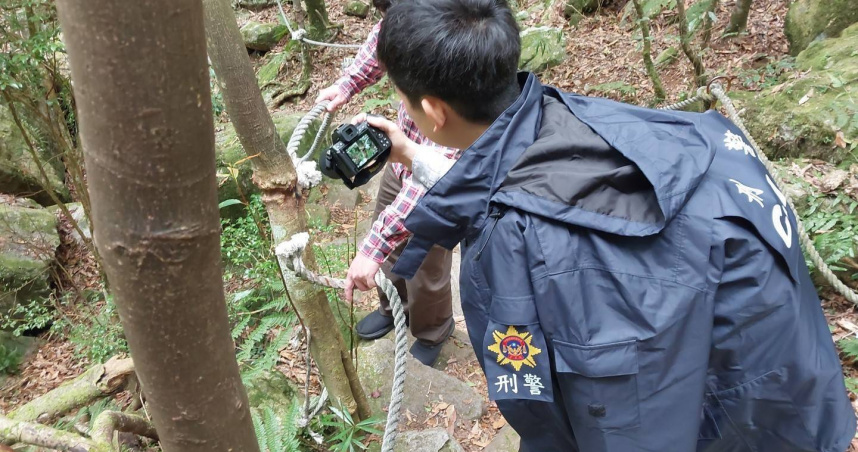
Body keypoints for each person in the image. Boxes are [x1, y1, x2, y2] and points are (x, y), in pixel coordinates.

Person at [348, 0, 858, 449]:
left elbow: (612, 410)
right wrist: (413, 154)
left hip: (738, 422)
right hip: (795, 391)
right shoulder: (583, 119)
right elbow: (513, 175)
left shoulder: (522, 241)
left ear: (432, 109)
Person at [315, 0, 458, 366]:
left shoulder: (456, 57)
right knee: (392, 249)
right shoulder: (406, 19)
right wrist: (346, 85)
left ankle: (433, 329)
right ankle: (395, 308)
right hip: (403, 160)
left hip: (440, 179)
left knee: (426, 262)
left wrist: (371, 247)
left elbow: (436, 175)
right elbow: (384, 39)